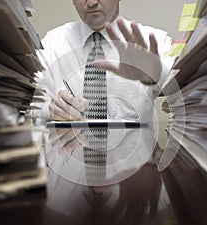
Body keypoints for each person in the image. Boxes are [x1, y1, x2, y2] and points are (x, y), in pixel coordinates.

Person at [35, 0, 174, 221]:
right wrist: (49, 108)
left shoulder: (153, 40)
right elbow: (29, 102)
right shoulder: (52, 43)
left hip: (140, 197)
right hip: (64, 203)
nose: (91, 2)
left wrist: (153, 75)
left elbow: (184, 90)